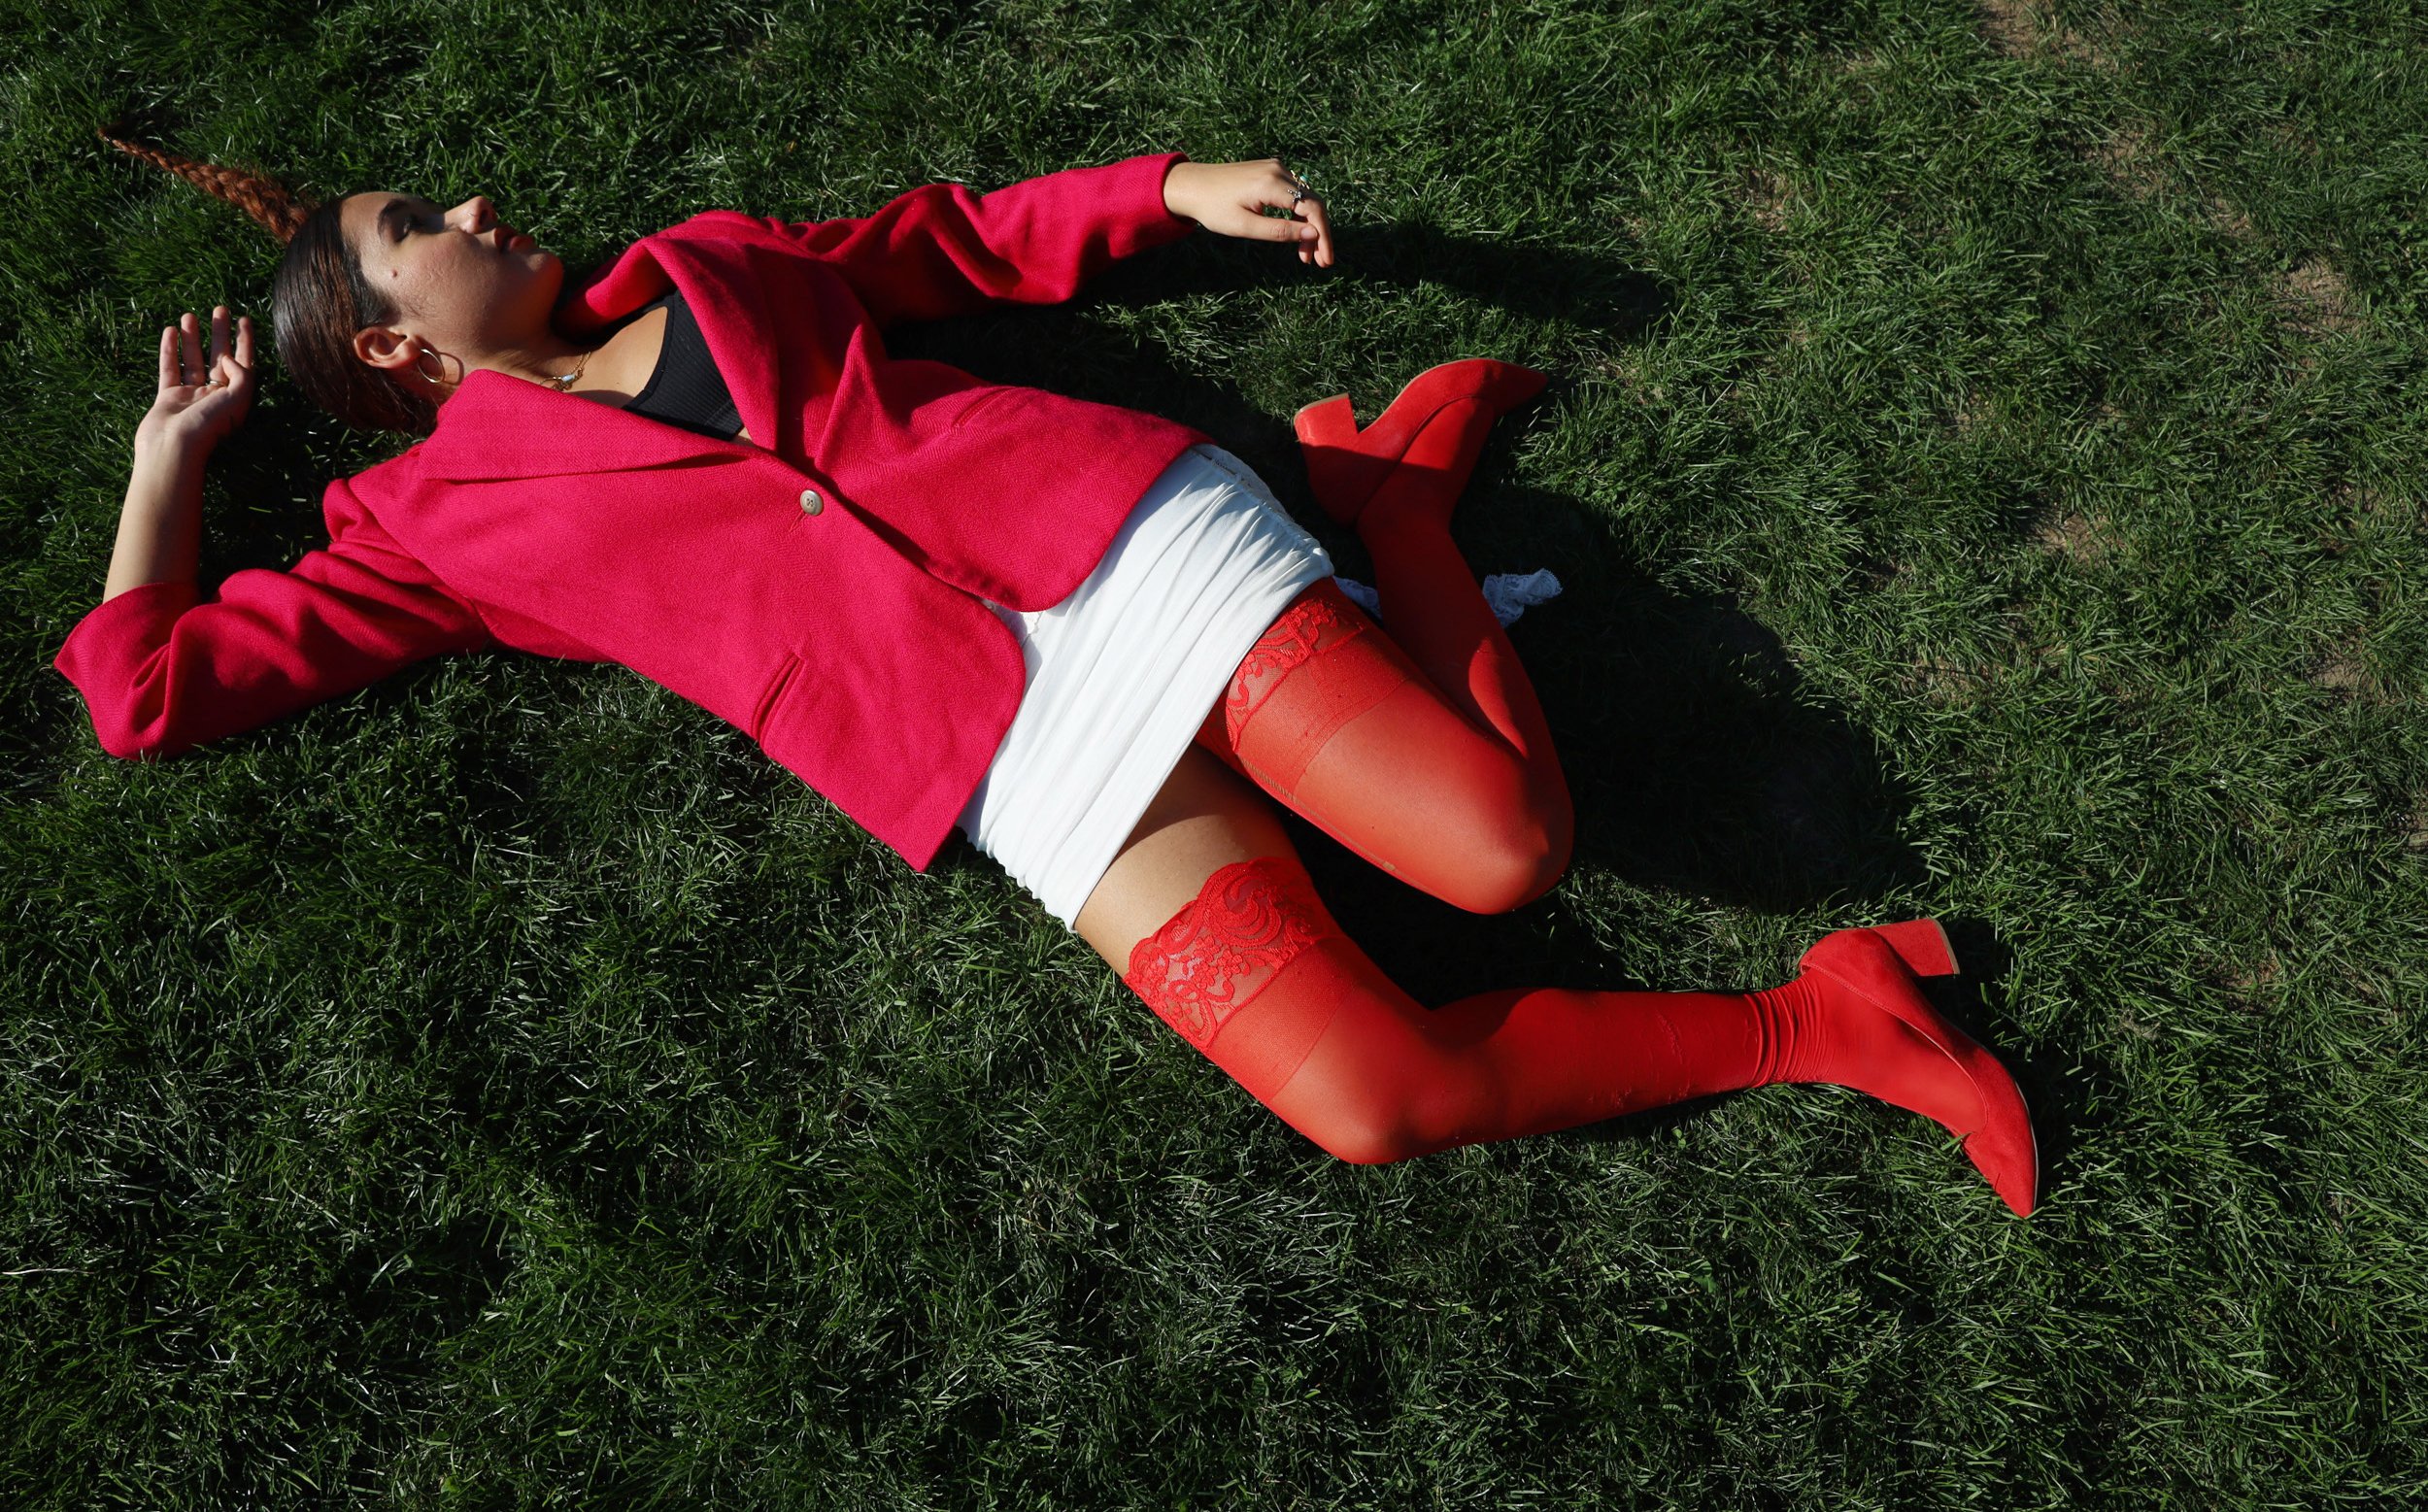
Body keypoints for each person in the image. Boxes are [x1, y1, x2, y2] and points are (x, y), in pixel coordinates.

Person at [57, 132, 2039, 1216]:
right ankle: (1824, 1018)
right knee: (1368, 1096)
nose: (479, 205)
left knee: (1502, 850)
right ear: (396, 350)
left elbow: (926, 246)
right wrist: (171, 472)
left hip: (1118, 544)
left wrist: (1156, 194)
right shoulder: (433, 529)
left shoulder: (703, 263)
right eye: (427, 228)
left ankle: (1395, 523)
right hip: (1004, 756)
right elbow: (146, 694)